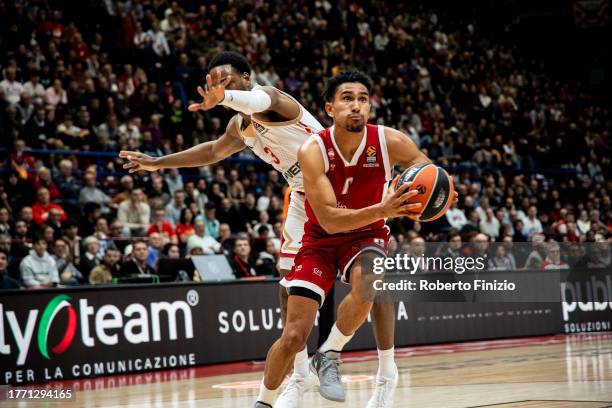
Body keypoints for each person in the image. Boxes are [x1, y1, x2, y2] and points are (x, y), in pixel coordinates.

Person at [119, 51, 325, 402]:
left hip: (337, 183)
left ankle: (382, 367)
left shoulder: (273, 99)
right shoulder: (239, 126)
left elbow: (257, 99)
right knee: (287, 285)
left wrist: (225, 97)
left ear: (247, 76)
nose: (219, 85)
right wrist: (158, 163)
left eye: (226, 79)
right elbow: (213, 151)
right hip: (305, 195)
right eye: (214, 80)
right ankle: (302, 374)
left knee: (362, 275)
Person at [255, 71, 438, 408]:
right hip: (320, 239)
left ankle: (329, 353)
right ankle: (264, 401)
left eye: (363, 99)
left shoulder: (390, 141)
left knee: (369, 282)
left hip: (367, 235)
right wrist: (383, 207)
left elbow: (428, 173)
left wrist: (438, 195)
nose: (356, 105)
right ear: (330, 108)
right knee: (294, 334)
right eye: (347, 98)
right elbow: (328, 218)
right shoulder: (313, 150)